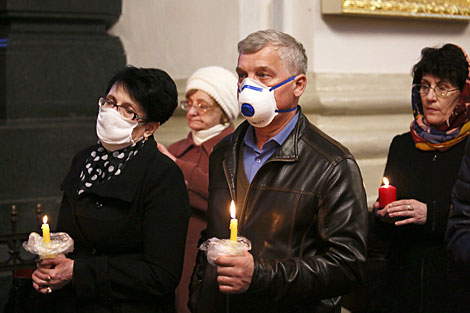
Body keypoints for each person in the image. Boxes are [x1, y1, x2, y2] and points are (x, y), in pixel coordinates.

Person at [189, 29, 368, 313]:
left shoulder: (331, 164)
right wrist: (199, 298)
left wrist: (260, 275)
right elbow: (212, 236)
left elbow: (348, 265)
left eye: (263, 75)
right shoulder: (224, 152)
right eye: (242, 75)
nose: (248, 86)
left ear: (298, 85)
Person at [31, 66, 190, 313]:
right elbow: (68, 234)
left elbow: (161, 275)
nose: (111, 113)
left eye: (128, 111)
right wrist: (51, 264)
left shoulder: (162, 175)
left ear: (149, 128)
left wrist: (77, 272)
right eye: (110, 102)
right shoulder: (84, 160)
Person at [372, 44, 470, 313]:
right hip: (403, 284)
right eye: (424, 86)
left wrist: (432, 214)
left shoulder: (468, 147)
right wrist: (381, 215)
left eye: (442, 87)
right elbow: (386, 231)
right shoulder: (403, 145)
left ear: (463, 94)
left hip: (455, 286)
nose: (429, 96)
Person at [157, 66, 238, 313]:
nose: (192, 112)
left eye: (203, 106)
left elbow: (224, 198)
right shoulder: (177, 148)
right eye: (189, 103)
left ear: (224, 113)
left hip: (208, 259)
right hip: (169, 255)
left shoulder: (234, 149)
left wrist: (176, 168)